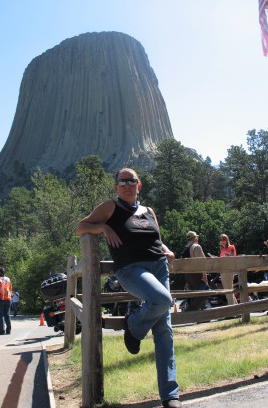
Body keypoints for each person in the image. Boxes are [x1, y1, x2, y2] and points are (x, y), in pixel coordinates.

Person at [76, 168, 182, 408]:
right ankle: (133, 326)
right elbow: (81, 227)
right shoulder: (110, 208)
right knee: (163, 300)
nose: (126, 184)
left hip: (159, 267)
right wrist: (103, 228)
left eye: (131, 181)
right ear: (116, 187)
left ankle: (170, 395)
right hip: (131, 270)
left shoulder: (149, 211)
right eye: (121, 181)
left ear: (138, 185)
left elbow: (155, 238)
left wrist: (165, 248)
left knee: (164, 331)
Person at [181, 231, 208, 311]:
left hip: (188, 275)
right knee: (205, 292)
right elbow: (202, 262)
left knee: (194, 295)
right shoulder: (196, 247)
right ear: (195, 237)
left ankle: (200, 317)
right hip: (197, 275)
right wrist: (204, 274)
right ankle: (190, 310)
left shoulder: (185, 249)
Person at [219, 234, 237, 305]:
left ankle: (232, 312)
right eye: (221, 240)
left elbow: (233, 258)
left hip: (229, 271)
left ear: (227, 240)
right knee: (228, 292)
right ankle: (237, 310)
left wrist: (226, 254)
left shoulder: (231, 247)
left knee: (229, 291)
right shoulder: (222, 250)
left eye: (224, 239)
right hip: (223, 271)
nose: (222, 241)